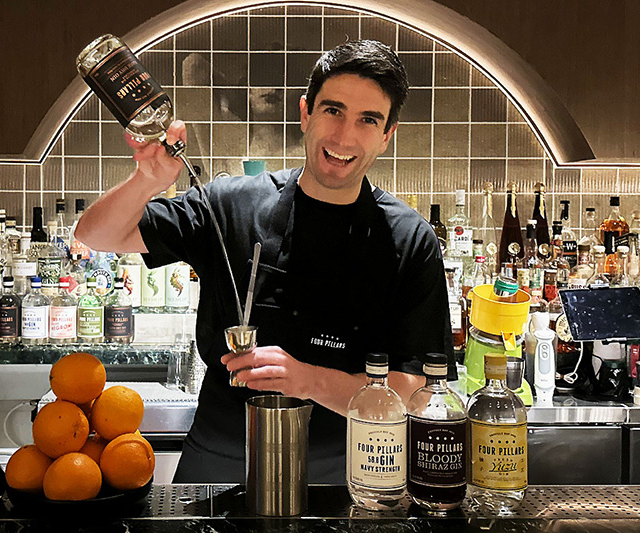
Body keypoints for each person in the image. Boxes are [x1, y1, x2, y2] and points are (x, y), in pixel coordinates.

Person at [74, 39, 453, 483]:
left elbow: (416, 392)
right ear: (305, 114)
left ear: (387, 135)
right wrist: (146, 180)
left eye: (368, 120)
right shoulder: (230, 205)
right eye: (332, 110)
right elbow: (96, 234)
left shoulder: (408, 239)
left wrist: (307, 379)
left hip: (346, 480)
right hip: (218, 470)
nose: (344, 136)